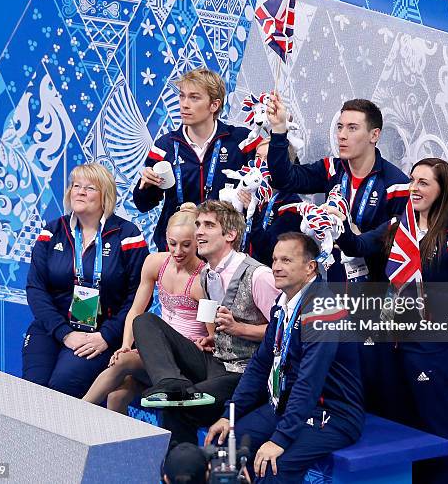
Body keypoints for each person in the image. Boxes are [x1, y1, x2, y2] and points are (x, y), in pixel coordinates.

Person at [206, 232, 364, 483]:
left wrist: (280, 439)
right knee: (223, 448)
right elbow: (260, 365)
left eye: (286, 261)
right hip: (286, 404)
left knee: (272, 466)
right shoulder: (283, 304)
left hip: (332, 413)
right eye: (274, 260)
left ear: (310, 267)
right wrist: (230, 415)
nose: (276, 267)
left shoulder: (324, 310)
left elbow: (309, 380)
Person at [133, 200, 279, 445]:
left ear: (230, 234)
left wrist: (239, 329)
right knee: (145, 321)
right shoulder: (206, 274)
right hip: (216, 360)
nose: (199, 230)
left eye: (209, 225)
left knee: (178, 405)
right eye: (198, 224)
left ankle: (185, 471)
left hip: (247, 372)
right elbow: (214, 325)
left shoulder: (259, 275)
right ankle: (169, 381)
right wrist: (214, 336)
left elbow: (285, 333)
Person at [382, 158, 448, 484]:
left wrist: (418, 292)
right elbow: (363, 245)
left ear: (442, 190)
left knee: (439, 428)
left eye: (424, 182)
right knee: (406, 428)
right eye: (412, 180)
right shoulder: (400, 229)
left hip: (431, 350)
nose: (414, 188)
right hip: (396, 346)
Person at [22, 163, 148, 398]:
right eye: (75, 186)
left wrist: (106, 336)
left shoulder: (128, 235)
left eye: (89, 188)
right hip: (52, 328)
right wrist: (64, 333)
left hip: (100, 334)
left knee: (62, 389)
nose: (79, 191)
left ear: (106, 196)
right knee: (33, 391)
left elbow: (138, 296)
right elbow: (35, 289)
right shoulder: (52, 232)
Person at [82, 203, 212, 413]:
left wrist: (205, 344)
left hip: (189, 357)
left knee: (123, 362)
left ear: (198, 241)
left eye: (186, 245)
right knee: (116, 397)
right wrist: (126, 344)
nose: (178, 251)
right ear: (166, 238)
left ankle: (78, 410)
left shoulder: (204, 279)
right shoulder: (154, 263)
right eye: (172, 243)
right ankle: (123, 446)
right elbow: (135, 310)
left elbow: (212, 335)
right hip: (158, 351)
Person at [265, 94, 409, 283]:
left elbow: (401, 248)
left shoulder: (396, 185)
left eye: (352, 128)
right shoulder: (332, 169)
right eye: (340, 127)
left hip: (377, 294)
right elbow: (284, 179)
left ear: (374, 135)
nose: (342, 135)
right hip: (336, 285)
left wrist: (350, 234)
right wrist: (278, 130)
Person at [133, 67, 254, 251]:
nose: (184, 104)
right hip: (179, 249)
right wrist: (146, 187)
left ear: (214, 105)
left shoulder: (240, 141)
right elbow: (143, 205)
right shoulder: (165, 146)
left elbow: (275, 180)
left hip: (223, 248)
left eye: (194, 97)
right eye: (182, 96)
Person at [240, 139, 302, 268]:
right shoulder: (247, 194)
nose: (260, 164)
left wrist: (253, 214)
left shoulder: (290, 204)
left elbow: (270, 251)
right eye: (258, 157)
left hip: (271, 278)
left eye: (268, 158)